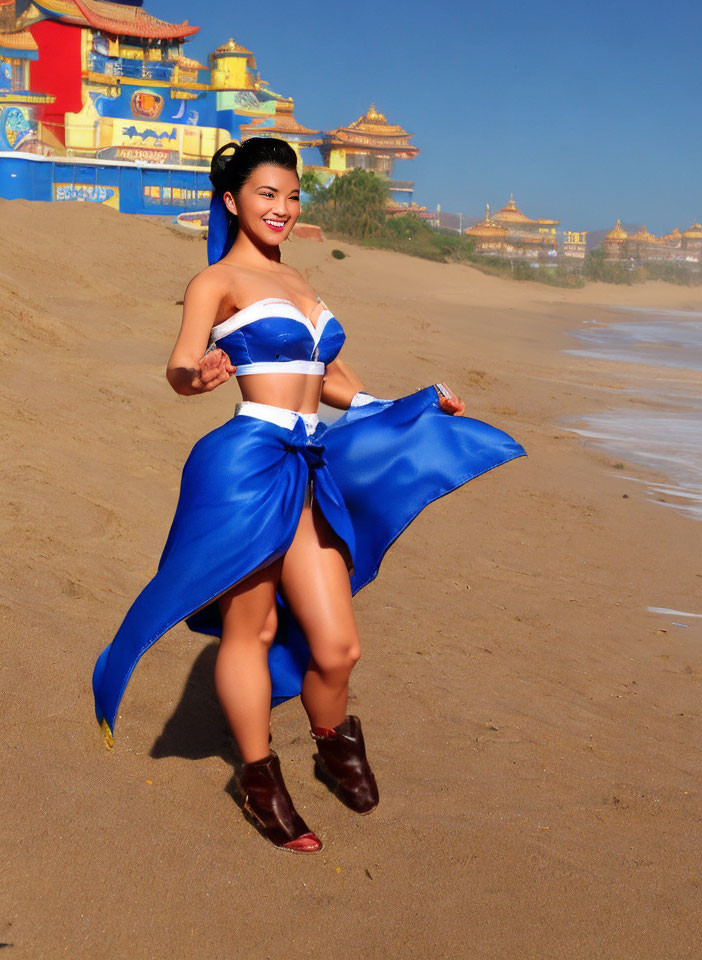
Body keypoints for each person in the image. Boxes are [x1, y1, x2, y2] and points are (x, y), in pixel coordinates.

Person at [91, 137, 525, 853]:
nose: (282, 209)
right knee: (251, 631)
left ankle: (333, 744)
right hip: (245, 463)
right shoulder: (216, 283)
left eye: (292, 197)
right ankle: (259, 779)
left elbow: (331, 382)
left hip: (310, 461)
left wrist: (409, 404)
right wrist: (194, 379)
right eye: (267, 195)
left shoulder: (301, 283)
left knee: (337, 645)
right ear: (232, 201)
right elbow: (178, 365)